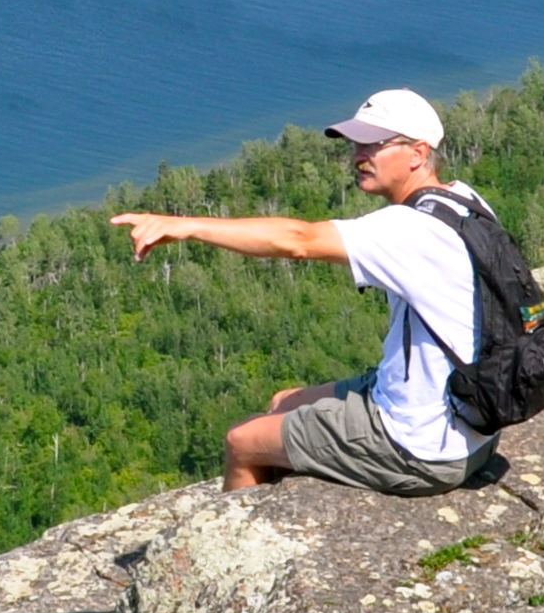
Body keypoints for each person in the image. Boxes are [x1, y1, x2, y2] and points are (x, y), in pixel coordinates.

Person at [108, 88, 499, 496]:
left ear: (418, 153)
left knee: (242, 442)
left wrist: (185, 225)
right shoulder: (463, 200)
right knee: (283, 401)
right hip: (469, 420)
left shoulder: (410, 230)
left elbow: (297, 239)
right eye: (355, 144)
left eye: (373, 145)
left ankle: (242, 548)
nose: (357, 156)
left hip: (421, 445)